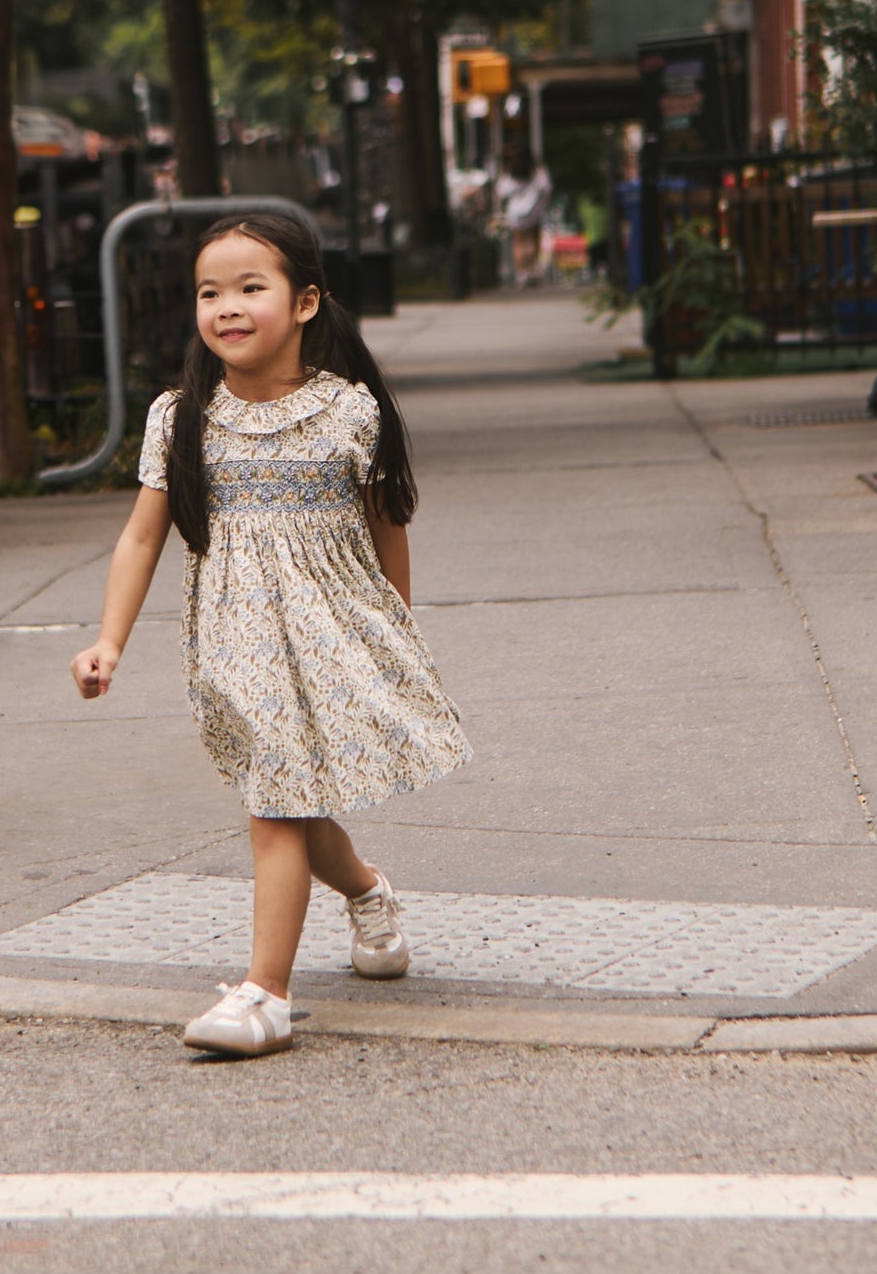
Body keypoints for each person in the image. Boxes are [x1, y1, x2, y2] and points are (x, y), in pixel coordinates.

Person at [70, 211, 471, 1059]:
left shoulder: (348, 412)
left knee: (282, 799)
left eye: (252, 287)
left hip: (334, 630)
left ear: (305, 301)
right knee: (284, 796)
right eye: (210, 291)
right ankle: (365, 891)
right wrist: (109, 640)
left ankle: (266, 996)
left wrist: (396, 625)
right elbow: (143, 535)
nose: (228, 306)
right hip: (237, 637)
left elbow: (388, 518)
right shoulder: (182, 417)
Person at [501, 148, 551, 285]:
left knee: (518, 242)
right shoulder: (537, 171)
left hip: (516, 212)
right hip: (534, 211)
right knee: (532, 240)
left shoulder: (511, 171)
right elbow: (546, 188)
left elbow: (502, 191)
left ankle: (521, 274)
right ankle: (531, 270)